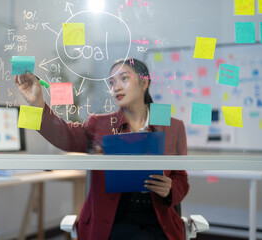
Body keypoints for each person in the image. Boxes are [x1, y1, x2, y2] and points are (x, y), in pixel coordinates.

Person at [15, 58, 189, 240]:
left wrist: (170, 189)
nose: (116, 87)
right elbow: (65, 137)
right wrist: (37, 104)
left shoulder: (173, 127)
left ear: (144, 82)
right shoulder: (100, 124)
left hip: (157, 224)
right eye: (112, 82)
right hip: (111, 224)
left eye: (124, 79)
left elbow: (181, 180)